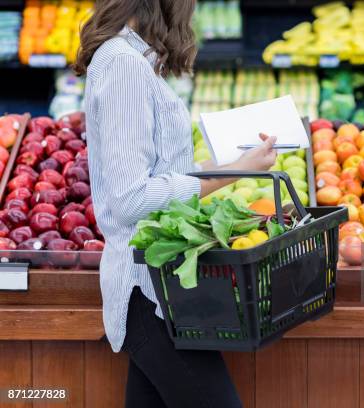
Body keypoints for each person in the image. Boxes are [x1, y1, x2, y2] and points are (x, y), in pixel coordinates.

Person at [73, 1, 276, 406]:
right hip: (149, 294)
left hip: (164, 291)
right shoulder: (123, 66)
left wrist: (234, 164)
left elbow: (162, 171)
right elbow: (132, 198)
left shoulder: (131, 59)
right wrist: (231, 174)